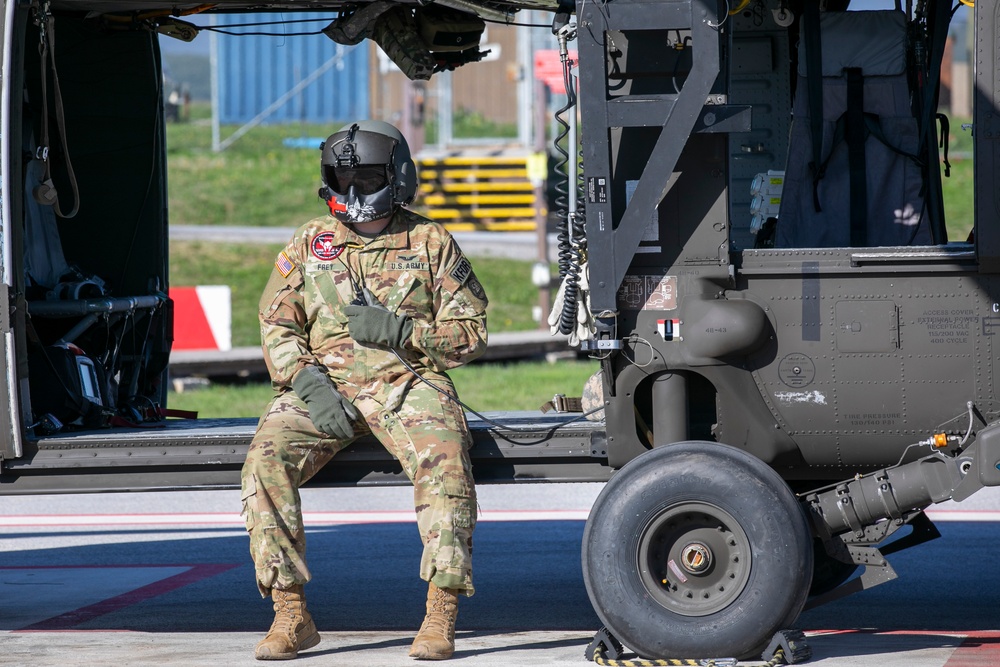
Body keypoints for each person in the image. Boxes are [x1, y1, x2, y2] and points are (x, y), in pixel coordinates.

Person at [241, 120, 488, 661]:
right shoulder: (311, 242)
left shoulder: (429, 242)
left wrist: (405, 332)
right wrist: (307, 381)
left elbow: (470, 333)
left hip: (406, 381)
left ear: (396, 177)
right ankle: (290, 614)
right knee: (264, 461)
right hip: (322, 386)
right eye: (342, 178)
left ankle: (440, 613)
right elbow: (277, 322)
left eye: (368, 178)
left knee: (446, 462)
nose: (353, 190)